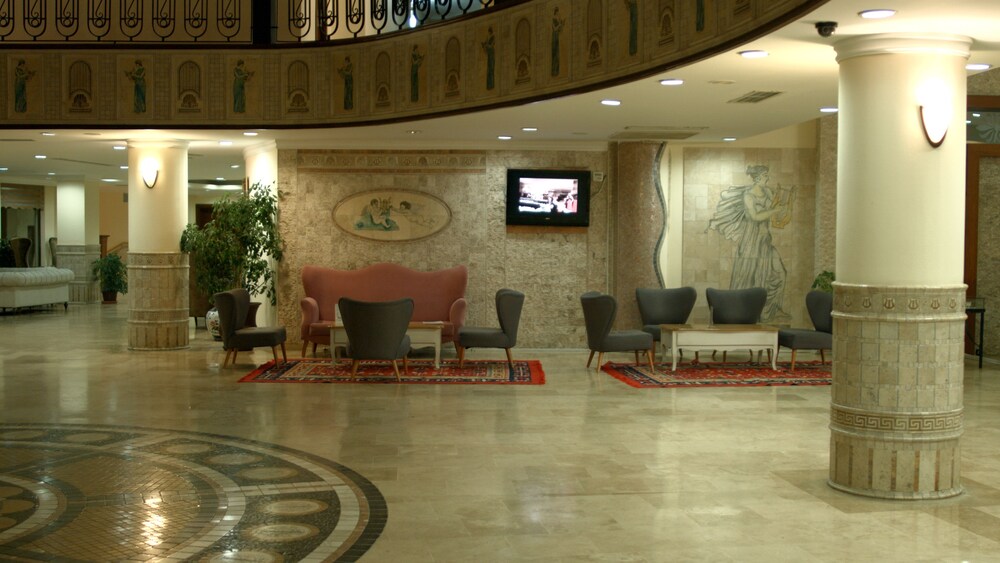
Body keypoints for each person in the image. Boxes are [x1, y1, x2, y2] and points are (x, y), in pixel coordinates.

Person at [706, 164, 789, 321]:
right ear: (757, 178)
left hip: (765, 240)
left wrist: (784, 208)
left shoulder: (768, 192)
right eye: (765, 176)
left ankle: (772, 310)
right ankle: (741, 313)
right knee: (749, 278)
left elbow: (774, 212)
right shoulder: (748, 196)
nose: (768, 178)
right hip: (751, 242)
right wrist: (774, 211)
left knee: (781, 274)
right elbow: (755, 217)